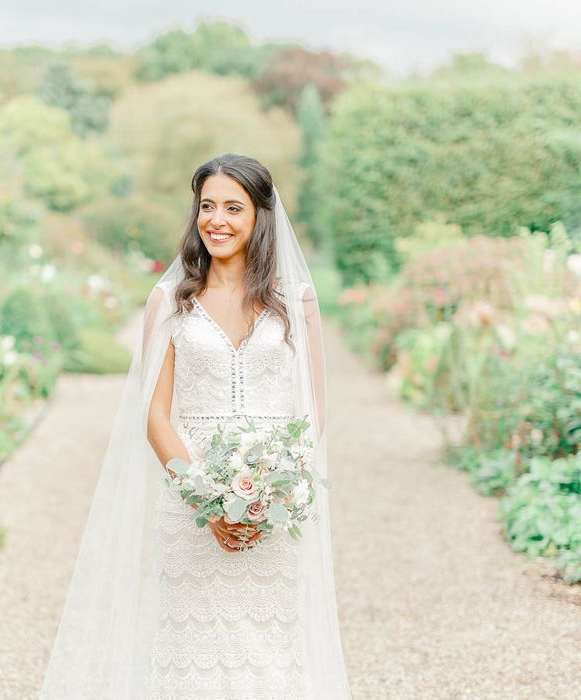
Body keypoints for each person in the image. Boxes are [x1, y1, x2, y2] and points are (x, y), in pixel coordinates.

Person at [39, 153, 352, 699]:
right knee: (191, 652)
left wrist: (270, 494)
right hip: (189, 503)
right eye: (207, 206)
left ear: (260, 217)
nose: (217, 220)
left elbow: (313, 410)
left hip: (272, 507)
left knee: (270, 649)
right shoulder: (170, 302)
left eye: (234, 207)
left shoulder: (296, 302)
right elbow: (155, 415)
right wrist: (205, 502)